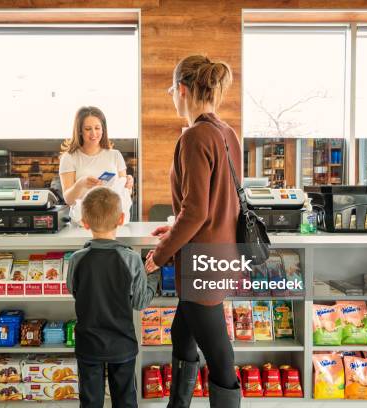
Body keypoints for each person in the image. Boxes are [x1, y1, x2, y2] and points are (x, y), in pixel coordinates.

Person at [144, 55, 242, 407]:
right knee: (181, 335)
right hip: (221, 256)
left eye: (172, 89)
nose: (172, 95)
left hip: (203, 264)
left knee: (219, 354)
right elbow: (217, 204)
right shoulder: (227, 133)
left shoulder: (194, 137)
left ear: (182, 89)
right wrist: (174, 227)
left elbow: (197, 210)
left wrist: (160, 254)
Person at [66, 187, 159, 408]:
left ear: (84, 222)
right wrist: (153, 275)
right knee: (125, 399)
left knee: (89, 401)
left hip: (88, 344)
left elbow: (73, 290)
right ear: (121, 218)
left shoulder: (77, 259)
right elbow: (140, 302)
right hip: (122, 344)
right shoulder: (131, 259)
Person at [59, 106, 134, 206]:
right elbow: (68, 200)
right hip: (82, 219)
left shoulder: (115, 155)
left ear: (103, 129)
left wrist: (128, 186)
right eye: (88, 129)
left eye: (97, 128)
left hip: (112, 218)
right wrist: (80, 184)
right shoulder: (69, 158)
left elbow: (125, 194)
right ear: (80, 131)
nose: (93, 133)